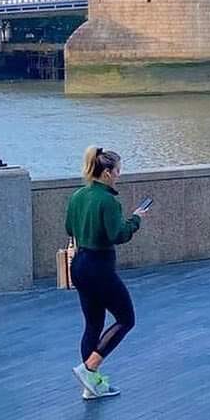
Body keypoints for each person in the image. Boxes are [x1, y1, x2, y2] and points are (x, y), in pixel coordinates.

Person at [65, 146, 151, 401]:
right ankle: (89, 368)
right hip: (99, 267)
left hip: (79, 265)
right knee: (126, 319)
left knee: (93, 323)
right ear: (105, 173)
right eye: (117, 171)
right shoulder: (108, 201)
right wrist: (135, 219)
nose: (119, 176)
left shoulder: (78, 195)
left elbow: (69, 227)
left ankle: (90, 386)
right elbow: (118, 235)